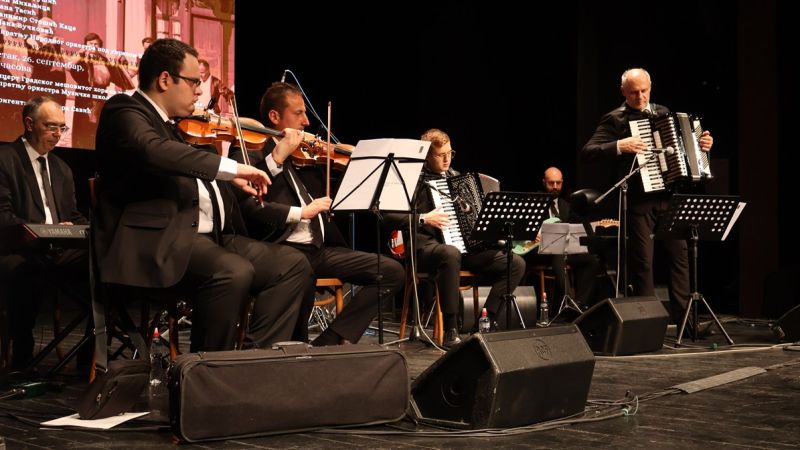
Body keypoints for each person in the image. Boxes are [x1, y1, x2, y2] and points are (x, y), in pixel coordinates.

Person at [93, 39, 312, 351]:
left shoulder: (178, 126)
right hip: (159, 242)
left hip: (210, 237)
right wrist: (233, 169)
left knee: (293, 264)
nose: (199, 91)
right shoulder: (125, 110)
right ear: (165, 79)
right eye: (194, 82)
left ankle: (254, 360)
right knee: (232, 272)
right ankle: (207, 370)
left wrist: (230, 184)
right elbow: (153, 151)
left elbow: (190, 176)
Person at [229, 81, 405, 346]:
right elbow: (250, 205)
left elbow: (335, 202)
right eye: (298, 113)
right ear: (275, 116)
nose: (307, 121)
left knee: (390, 272)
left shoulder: (306, 157)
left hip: (320, 250)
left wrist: (357, 169)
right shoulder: (250, 151)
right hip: (280, 249)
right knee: (299, 275)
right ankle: (289, 347)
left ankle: (329, 341)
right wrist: (277, 158)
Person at [581, 67, 713, 324]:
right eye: (633, 93)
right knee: (643, 263)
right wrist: (619, 145)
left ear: (650, 88)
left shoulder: (663, 113)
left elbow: (685, 152)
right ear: (623, 92)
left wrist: (702, 146)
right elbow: (588, 151)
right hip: (639, 201)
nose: (640, 97)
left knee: (680, 258)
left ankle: (686, 323)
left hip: (669, 196)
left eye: (644, 91)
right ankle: (648, 324)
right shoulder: (615, 119)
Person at [386, 129, 526, 347]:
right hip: (425, 249)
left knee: (514, 263)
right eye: (440, 154)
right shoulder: (410, 180)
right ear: (426, 155)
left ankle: (485, 321)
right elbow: (388, 217)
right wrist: (423, 218)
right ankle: (451, 329)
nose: (447, 159)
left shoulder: (457, 179)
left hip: (461, 249)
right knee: (450, 253)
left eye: (450, 153)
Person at [0, 96, 89, 371]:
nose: (58, 134)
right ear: (29, 124)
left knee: (101, 264)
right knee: (24, 272)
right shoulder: (5, 159)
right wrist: (44, 232)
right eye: (51, 126)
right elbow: (3, 216)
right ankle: (22, 358)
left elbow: (73, 215)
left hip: (58, 251)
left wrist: (85, 230)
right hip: (17, 250)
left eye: (62, 127)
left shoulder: (62, 168)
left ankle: (90, 359)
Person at [523, 167, 602, 310]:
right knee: (558, 253)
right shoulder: (533, 202)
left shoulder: (567, 206)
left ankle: (581, 303)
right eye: (551, 183)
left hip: (563, 252)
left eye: (558, 183)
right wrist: (532, 233)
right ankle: (569, 304)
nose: (555, 186)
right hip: (538, 250)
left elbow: (575, 231)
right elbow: (522, 226)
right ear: (543, 182)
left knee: (592, 260)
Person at [69, 32, 135, 149]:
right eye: (90, 44)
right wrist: (80, 53)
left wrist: (121, 64)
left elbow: (116, 76)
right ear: (85, 45)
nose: (93, 46)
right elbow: (69, 66)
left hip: (100, 95)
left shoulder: (103, 59)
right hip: (85, 95)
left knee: (97, 126)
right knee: (83, 126)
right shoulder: (81, 57)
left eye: (96, 44)